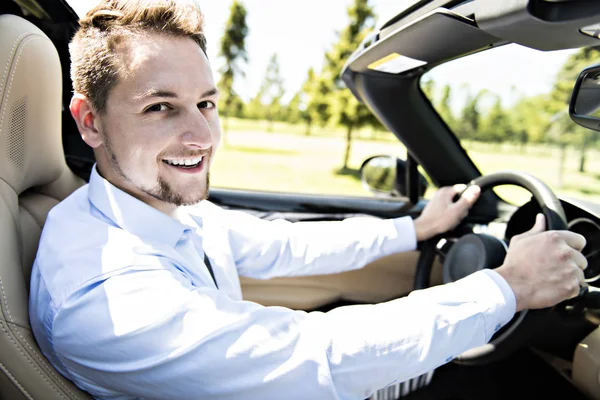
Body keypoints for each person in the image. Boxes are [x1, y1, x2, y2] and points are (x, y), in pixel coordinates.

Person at [28, 1, 588, 399]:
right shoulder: (104, 297)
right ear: (90, 122)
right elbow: (319, 358)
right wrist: (510, 287)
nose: (201, 137)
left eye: (206, 103)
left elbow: (279, 244)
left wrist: (414, 229)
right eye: (160, 107)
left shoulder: (151, 211)